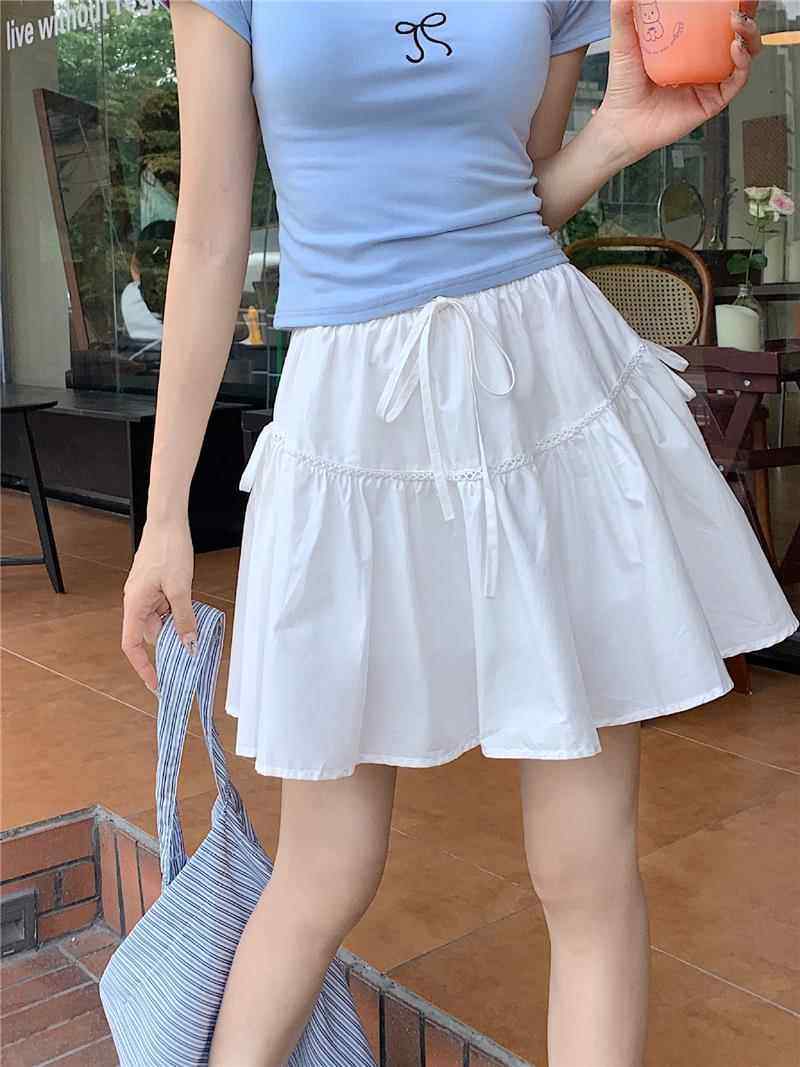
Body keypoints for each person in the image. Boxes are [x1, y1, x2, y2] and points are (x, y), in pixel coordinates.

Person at [121, 3, 796, 1065]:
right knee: (327, 866)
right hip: (350, 416)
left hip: (541, 390)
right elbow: (208, 236)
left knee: (584, 868)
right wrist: (164, 516)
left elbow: (519, 199)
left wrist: (617, 134)